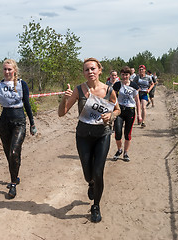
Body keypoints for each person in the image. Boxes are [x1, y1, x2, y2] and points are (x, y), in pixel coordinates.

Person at [58, 58, 121, 223]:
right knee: (88, 174)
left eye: (93, 68)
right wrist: (64, 99)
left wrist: (111, 115)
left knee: (98, 171)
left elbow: (118, 109)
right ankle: (91, 183)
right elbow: (62, 113)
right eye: (86, 70)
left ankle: (96, 206)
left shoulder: (109, 90)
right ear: (84, 73)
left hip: (103, 134)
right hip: (83, 135)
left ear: (100, 70)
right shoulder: (79, 90)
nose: (90, 72)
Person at [0, 59, 37, 199]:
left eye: (9, 69)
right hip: (4, 122)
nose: (7, 72)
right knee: (9, 154)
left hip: (19, 122)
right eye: (5, 69)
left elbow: (27, 104)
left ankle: (13, 183)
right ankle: (15, 175)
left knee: (14, 151)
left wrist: (32, 123)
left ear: (14, 70)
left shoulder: (22, 84)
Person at [112, 66, 142, 161]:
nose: (125, 77)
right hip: (119, 110)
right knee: (118, 132)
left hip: (130, 110)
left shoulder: (134, 86)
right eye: (123, 74)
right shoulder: (117, 85)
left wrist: (139, 114)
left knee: (127, 133)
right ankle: (119, 150)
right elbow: (112, 98)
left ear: (130, 75)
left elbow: (137, 101)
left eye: (127, 75)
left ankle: (125, 153)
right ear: (121, 75)